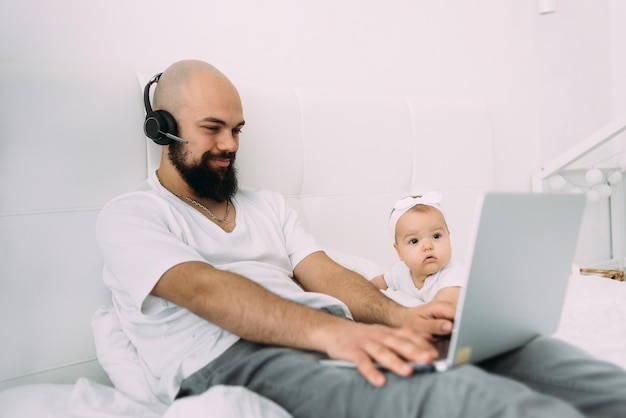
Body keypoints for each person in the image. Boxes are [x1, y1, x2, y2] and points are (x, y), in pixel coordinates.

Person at [96, 59, 626, 417]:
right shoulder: (132, 216)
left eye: (237, 129)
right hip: (235, 359)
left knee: (531, 358)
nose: (230, 144)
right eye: (213, 128)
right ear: (161, 128)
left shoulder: (266, 204)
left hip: (325, 333)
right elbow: (203, 289)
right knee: (469, 398)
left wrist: (404, 319)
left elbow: (322, 272)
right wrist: (337, 337)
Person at [370, 191, 465, 307]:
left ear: (449, 239)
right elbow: (379, 282)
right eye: (414, 241)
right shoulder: (400, 271)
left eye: (436, 236)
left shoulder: (453, 272)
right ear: (399, 251)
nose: (427, 246)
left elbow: (445, 305)